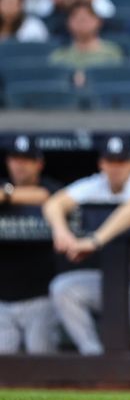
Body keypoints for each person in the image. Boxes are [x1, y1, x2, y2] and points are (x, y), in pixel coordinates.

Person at [44, 136, 130, 358]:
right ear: (101, 163)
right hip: (114, 282)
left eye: (121, 162)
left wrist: (95, 240)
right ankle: (95, 357)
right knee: (64, 289)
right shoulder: (95, 184)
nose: (116, 168)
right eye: (111, 161)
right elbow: (54, 203)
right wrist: (61, 231)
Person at [0, 135, 61, 354]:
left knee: (44, 368)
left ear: (39, 163)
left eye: (27, 159)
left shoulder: (50, 187)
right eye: (15, 159)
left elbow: (50, 196)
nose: (20, 165)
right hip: (2, 302)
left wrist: (8, 195)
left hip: (40, 299)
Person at [48, 1, 124, 81]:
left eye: (87, 17)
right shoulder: (59, 56)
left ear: (98, 21)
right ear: (68, 22)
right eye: (75, 17)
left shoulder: (112, 53)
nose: (81, 21)